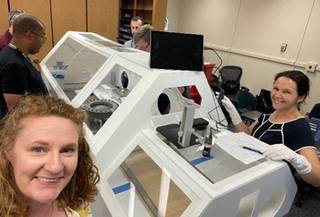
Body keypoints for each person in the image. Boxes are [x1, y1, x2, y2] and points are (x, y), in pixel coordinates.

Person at [221, 70, 320, 216]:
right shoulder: (271, 110)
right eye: (276, 88)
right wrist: (234, 115)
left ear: (300, 97)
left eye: (286, 92)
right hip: (247, 173)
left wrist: (297, 159)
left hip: (266, 190)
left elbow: (317, 178)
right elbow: (248, 135)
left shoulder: (299, 126)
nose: (277, 95)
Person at [0, 95, 100, 217]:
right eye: (38, 149)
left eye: (67, 150)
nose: (55, 167)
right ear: (8, 151)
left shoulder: (78, 206)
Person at [0, 14, 48, 119]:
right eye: (42, 36)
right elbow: (16, 111)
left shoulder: (17, 54)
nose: (44, 41)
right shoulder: (14, 64)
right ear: (29, 35)